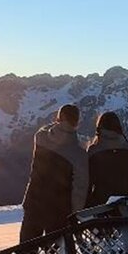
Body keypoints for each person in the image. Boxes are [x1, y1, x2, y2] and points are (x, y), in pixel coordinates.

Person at [20, 104, 88, 242]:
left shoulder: (41, 138)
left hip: (34, 202)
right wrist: (75, 213)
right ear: (77, 121)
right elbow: (79, 189)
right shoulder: (79, 154)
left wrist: (58, 123)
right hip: (59, 209)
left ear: (59, 118)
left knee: (25, 251)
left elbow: (45, 130)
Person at [86, 111, 128, 206]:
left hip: (99, 209)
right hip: (125, 209)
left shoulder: (94, 152)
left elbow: (85, 184)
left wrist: (89, 205)